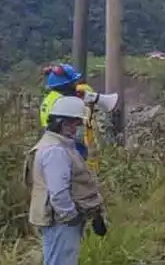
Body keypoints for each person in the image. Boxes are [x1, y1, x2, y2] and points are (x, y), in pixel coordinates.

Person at [24, 96, 108, 265]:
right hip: (60, 222)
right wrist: (71, 216)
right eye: (75, 123)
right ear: (63, 123)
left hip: (59, 220)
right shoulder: (55, 151)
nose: (77, 128)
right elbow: (58, 193)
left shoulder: (59, 145)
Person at [39, 64, 93, 160]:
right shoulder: (64, 101)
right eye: (74, 82)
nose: (76, 85)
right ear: (66, 85)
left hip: (50, 139)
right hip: (65, 140)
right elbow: (77, 125)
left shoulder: (51, 97)